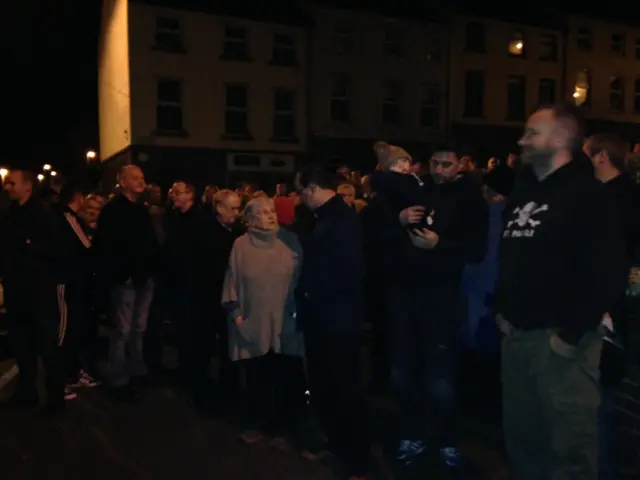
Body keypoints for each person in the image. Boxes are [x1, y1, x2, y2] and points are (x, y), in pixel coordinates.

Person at [495, 103, 628, 479]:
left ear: (560, 138)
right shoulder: (525, 192)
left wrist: (569, 335)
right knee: (524, 446)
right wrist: (503, 312)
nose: (522, 140)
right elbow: (511, 258)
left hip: (561, 347)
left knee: (568, 452)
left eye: (532, 133)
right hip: (517, 339)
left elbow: (607, 271)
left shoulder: (589, 195)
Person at [295, 165, 371, 480]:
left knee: (344, 389)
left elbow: (347, 272)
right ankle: (338, 446)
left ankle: (356, 460)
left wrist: (314, 294)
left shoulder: (340, 220)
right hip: (326, 318)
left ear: (311, 188)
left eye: (300, 192)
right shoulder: (328, 217)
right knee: (328, 386)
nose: (299, 198)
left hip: (337, 320)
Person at [221, 196, 304, 447]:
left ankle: (283, 428)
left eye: (272, 211)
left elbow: (303, 281)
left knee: (285, 377)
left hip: (285, 324)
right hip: (253, 323)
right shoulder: (241, 245)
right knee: (257, 376)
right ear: (249, 218)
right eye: (262, 212)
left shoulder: (290, 242)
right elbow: (232, 283)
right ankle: (256, 422)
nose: (269, 215)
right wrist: (236, 316)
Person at [0, 169, 66, 414]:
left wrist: (30, 251)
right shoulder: (10, 215)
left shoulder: (43, 215)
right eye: (7, 183)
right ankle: (26, 392)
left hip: (38, 291)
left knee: (47, 346)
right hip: (17, 290)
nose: (7, 187)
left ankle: (55, 398)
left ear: (28, 186)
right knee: (21, 345)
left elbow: (54, 250)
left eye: (12, 183)